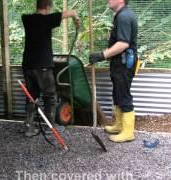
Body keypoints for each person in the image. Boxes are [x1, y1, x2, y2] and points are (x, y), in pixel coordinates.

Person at [21, 0, 79, 137]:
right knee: (49, 97)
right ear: (48, 7)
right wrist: (76, 18)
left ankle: (28, 128)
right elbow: (72, 12)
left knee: (31, 96)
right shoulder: (48, 19)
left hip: (28, 65)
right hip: (43, 67)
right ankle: (49, 128)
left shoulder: (26, 19)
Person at [89, 0, 138, 143]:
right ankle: (119, 125)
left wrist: (101, 55)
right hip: (120, 62)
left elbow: (123, 43)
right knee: (117, 93)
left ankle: (128, 132)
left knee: (123, 94)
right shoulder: (122, 15)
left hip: (124, 62)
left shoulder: (124, 16)